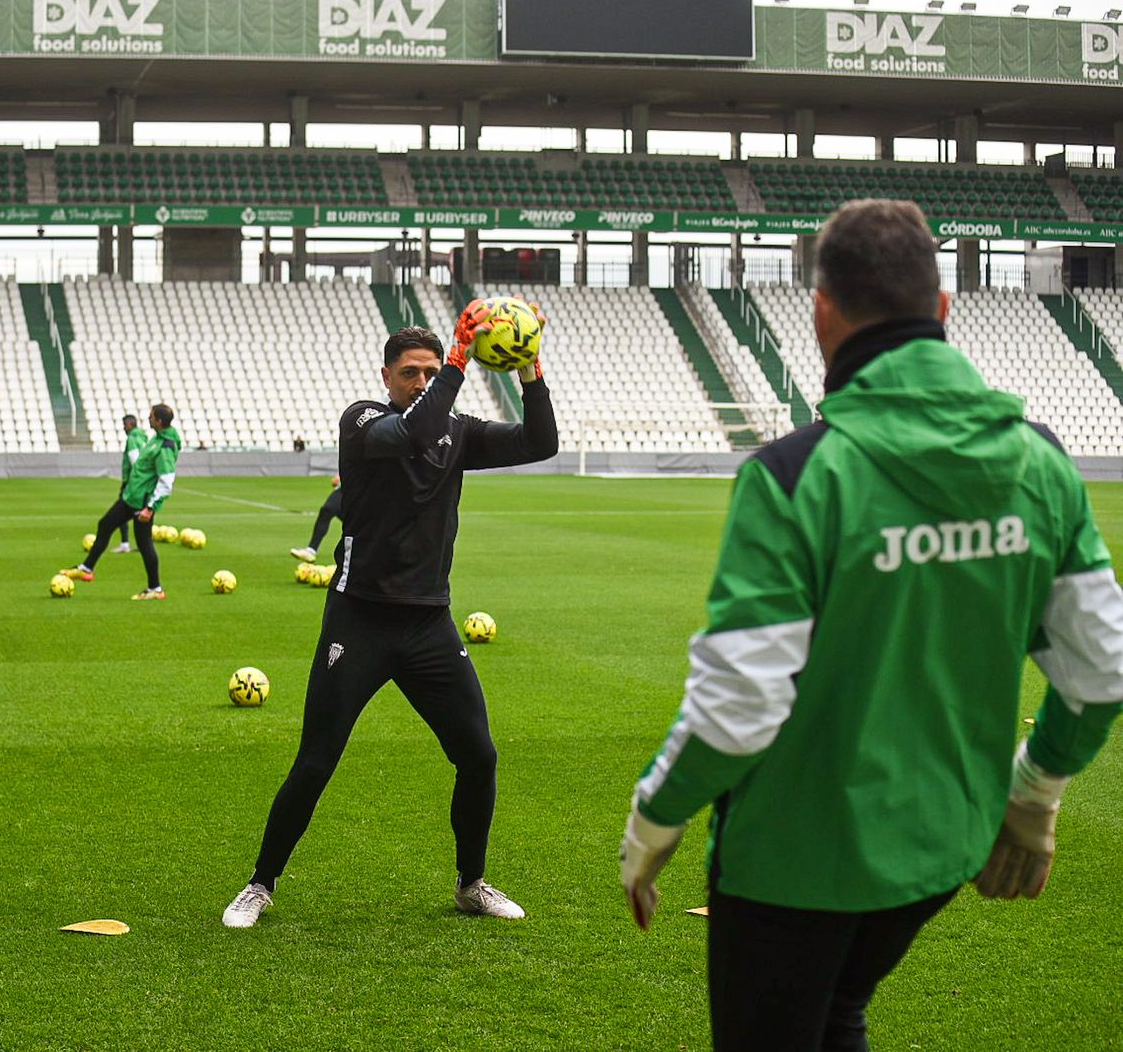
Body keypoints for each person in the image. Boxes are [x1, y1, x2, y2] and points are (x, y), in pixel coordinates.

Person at [617, 200, 1123, 1052]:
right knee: (840, 1010)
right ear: (944, 309)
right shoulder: (1039, 460)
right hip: (942, 844)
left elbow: (739, 707)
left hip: (793, 859)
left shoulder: (796, 474)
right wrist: (1034, 792)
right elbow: (1101, 668)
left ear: (821, 311)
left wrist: (653, 820)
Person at [222, 310, 557, 929]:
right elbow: (412, 432)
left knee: (478, 755)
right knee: (317, 759)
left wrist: (530, 370)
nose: (423, 381)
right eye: (411, 373)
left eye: (431, 370)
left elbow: (541, 443)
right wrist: (458, 360)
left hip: (429, 624)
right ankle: (260, 883)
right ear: (386, 376)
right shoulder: (364, 420)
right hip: (359, 620)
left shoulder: (457, 429)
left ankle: (471, 883)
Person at [61, 403, 182, 600]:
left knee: (144, 544)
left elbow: (166, 480)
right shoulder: (157, 438)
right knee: (105, 524)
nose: (148, 418)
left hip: (142, 503)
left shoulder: (166, 446)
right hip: (131, 497)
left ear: (159, 421)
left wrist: (150, 508)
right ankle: (86, 568)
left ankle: (155, 589)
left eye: (151, 416)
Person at [112, 413, 149, 555]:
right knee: (139, 513)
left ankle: (125, 543)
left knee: (121, 513)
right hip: (143, 483)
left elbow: (135, 462)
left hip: (131, 482)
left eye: (124, 425)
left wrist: (134, 482)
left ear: (130, 424)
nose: (123, 428)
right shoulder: (143, 437)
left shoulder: (133, 438)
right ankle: (143, 544)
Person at [289, 475, 342, 564]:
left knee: (354, 521)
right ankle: (311, 550)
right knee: (328, 509)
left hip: (362, 484)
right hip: (348, 484)